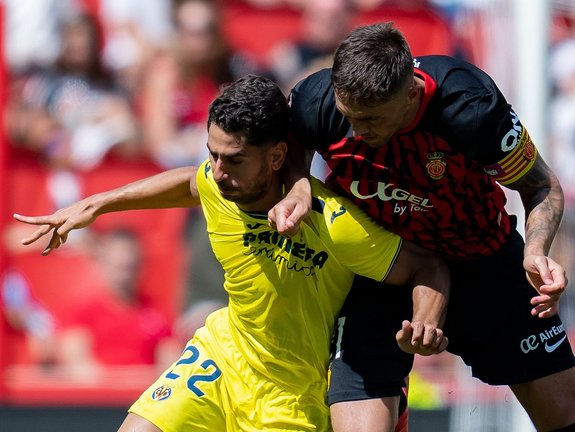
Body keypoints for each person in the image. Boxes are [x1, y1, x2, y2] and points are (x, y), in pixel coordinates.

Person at [14, 75, 449, 432]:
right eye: (212, 154)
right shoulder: (217, 183)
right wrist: (98, 203)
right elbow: (190, 181)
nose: (217, 173)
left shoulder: (334, 223)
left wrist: (426, 321)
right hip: (224, 354)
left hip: (295, 391)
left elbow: (426, 264)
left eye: (234, 160)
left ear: (278, 156)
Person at [268, 22, 575, 432]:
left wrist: (535, 252)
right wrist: (298, 185)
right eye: (349, 116)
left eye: (370, 119)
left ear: (411, 92)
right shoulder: (317, 99)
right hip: (382, 265)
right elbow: (293, 149)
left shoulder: (470, 107)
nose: (356, 131)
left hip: (481, 260)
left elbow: (540, 185)